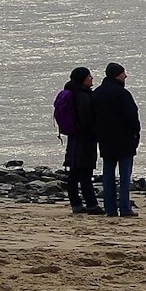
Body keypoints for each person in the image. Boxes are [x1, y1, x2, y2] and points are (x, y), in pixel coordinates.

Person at [92, 62, 141, 218]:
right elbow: (131, 115)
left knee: (108, 174)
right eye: (122, 73)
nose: (125, 76)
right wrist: (135, 131)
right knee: (125, 175)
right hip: (124, 138)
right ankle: (125, 208)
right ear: (116, 75)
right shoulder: (122, 94)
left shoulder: (97, 93)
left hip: (105, 138)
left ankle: (110, 208)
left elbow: (92, 116)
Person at [54, 67, 100, 214]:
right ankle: (91, 204)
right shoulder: (82, 95)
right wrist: (94, 131)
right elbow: (86, 119)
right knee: (85, 172)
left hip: (74, 138)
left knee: (74, 171)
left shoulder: (74, 92)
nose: (92, 78)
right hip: (84, 138)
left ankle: (77, 204)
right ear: (82, 79)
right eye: (89, 76)